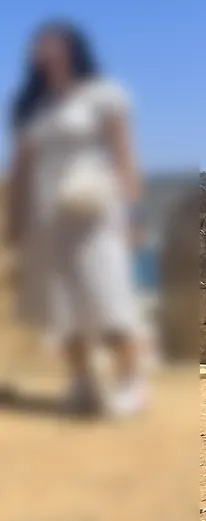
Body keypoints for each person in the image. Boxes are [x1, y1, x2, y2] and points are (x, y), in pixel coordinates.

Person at [6, 22, 152, 416]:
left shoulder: (103, 95)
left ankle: (131, 381)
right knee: (61, 307)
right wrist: (16, 222)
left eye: (56, 46)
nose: (48, 54)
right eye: (42, 48)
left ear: (73, 50)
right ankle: (83, 382)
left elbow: (124, 155)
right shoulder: (32, 105)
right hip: (46, 217)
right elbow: (21, 168)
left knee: (108, 297)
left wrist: (134, 212)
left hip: (94, 212)